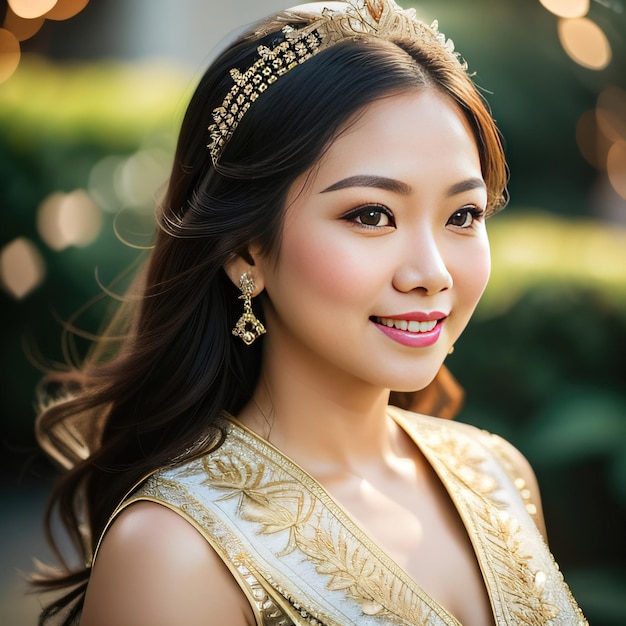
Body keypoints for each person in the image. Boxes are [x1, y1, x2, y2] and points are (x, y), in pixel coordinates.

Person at [32, 1, 588, 625]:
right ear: (246, 250)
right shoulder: (174, 554)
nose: (432, 272)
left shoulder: (498, 475)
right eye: (372, 215)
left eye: (463, 216)